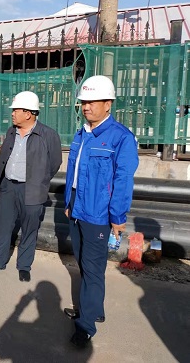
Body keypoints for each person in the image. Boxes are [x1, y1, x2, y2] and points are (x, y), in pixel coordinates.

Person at [63, 75, 138, 348]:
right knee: (84, 262)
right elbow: (73, 173)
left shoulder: (121, 138)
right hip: (77, 207)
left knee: (93, 268)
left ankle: (85, 326)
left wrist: (118, 217)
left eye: (93, 102)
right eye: (84, 102)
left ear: (108, 104)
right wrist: (69, 203)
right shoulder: (82, 133)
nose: (86, 107)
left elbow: (123, 180)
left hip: (98, 213)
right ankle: (93, 309)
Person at [0, 91, 62, 282]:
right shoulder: (11, 132)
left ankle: (24, 266)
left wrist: (39, 181)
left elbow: (55, 163)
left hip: (32, 190)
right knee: (2, 226)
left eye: (16, 110)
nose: (12, 113)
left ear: (29, 113)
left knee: (29, 228)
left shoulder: (47, 135)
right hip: (8, 187)